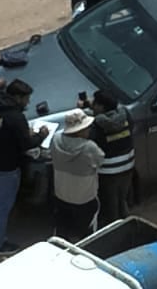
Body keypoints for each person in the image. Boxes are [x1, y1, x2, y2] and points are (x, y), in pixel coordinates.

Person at [0, 80, 48, 257]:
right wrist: (41, 136)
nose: (27, 103)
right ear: (17, 97)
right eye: (26, 99)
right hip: (6, 169)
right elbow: (26, 145)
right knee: (2, 208)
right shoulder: (15, 117)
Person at [49, 108, 104, 241]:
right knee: (87, 234)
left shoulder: (56, 139)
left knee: (61, 230)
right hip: (84, 199)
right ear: (80, 130)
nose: (89, 130)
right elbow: (100, 160)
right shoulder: (89, 147)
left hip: (61, 195)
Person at [84, 89, 135, 223]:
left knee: (111, 204)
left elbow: (90, 140)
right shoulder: (126, 115)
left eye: (95, 103)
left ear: (101, 106)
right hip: (127, 166)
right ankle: (127, 220)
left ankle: (116, 229)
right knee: (122, 198)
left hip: (108, 171)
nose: (93, 105)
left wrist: (86, 114)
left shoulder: (97, 126)